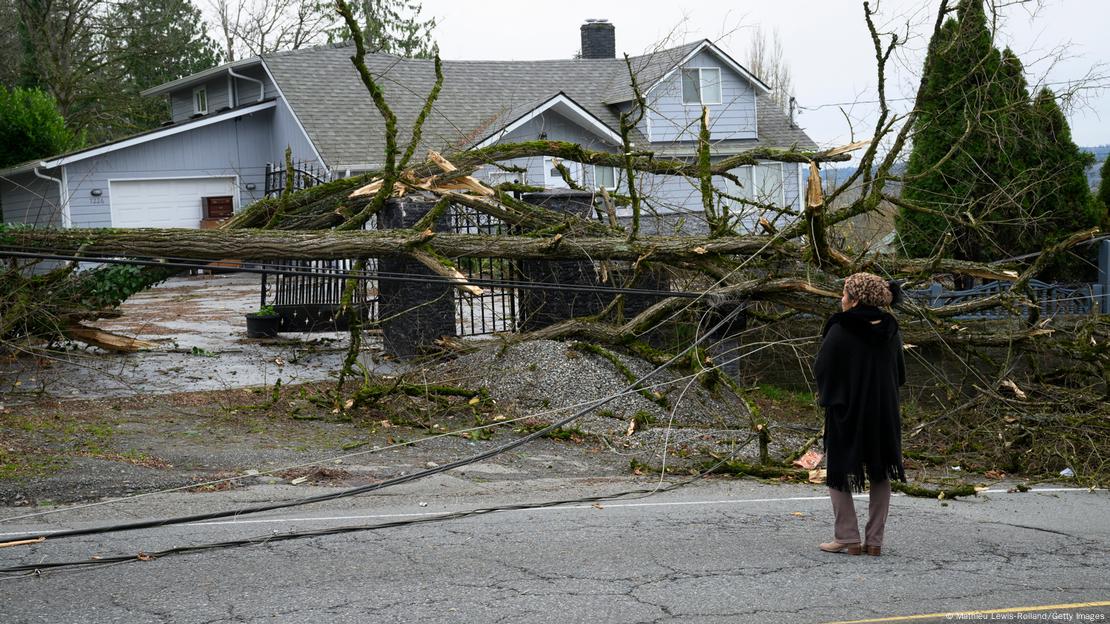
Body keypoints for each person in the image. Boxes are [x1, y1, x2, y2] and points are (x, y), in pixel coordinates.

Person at [813, 272, 906, 556]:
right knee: (880, 472)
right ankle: (874, 541)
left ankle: (847, 537)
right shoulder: (891, 328)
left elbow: (823, 369)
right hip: (883, 411)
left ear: (854, 300)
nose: (841, 299)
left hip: (848, 411)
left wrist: (832, 397)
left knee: (839, 472)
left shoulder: (840, 328)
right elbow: (900, 373)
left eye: (844, 294)